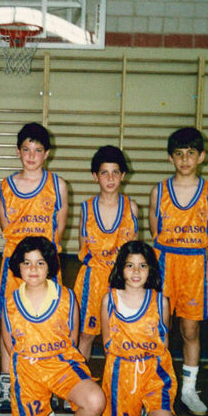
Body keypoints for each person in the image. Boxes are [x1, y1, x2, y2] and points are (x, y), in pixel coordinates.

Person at [1, 236, 105, 416]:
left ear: (49, 266)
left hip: (60, 366)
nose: (33, 269)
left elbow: (72, 340)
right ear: (18, 266)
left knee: (96, 400)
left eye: (40, 263)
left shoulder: (67, 297)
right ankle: (43, 405)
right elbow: (9, 344)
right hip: (29, 372)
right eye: (27, 263)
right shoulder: (11, 302)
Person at [0, 122, 68, 411]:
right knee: (10, 320)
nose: (32, 156)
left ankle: (53, 379)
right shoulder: (6, 186)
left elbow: (59, 229)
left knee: (51, 321)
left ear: (47, 153)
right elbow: (5, 227)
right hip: (15, 264)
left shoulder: (58, 185)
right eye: (26, 149)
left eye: (38, 150)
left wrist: (42, 259)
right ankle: (6, 379)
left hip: (46, 264)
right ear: (18, 151)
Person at [148, 127, 208, 416]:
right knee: (160, 328)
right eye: (179, 154)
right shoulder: (160, 190)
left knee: (190, 329)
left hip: (194, 265)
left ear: (201, 156)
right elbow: (154, 229)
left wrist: (203, 253)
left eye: (191, 153)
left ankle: (189, 389)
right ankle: (157, 385)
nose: (185, 159)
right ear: (170, 158)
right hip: (166, 263)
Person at [100, 241, 177, 416]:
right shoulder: (109, 300)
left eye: (142, 265)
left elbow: (164, 341)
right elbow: (107, 344)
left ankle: (151, 413)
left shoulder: (160, 302)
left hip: (153, 373)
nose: (136, 271)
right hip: (123, 375)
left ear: (150, 269)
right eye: (130, 265)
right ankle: (138, 409)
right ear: (121, 269)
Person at [73, 145, 138, 362]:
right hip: (92, 281)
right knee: (85, 334)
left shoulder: (132, 208)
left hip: (121, 280)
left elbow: (134, 251)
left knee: (119, 335)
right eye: (104, 173)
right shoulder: (86, 208)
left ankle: (118, 379)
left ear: (123, 175)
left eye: (115, 172)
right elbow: (82, 248)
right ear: (95, 176)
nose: (110, 178)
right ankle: (79, 379)